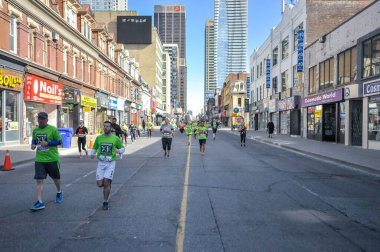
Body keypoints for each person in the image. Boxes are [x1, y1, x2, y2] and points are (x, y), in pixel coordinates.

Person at [30, 112, 63, 211]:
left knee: (56, 179)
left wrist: (48, 143)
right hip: (40, 159)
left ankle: (59, 191)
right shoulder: (35, 130)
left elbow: (60, 141)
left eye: (43, 119)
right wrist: (33, 145)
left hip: (52, 159)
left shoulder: (52, 129)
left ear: (47, 120)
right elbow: (34, 141)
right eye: (40, 119)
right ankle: (40, 202)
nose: (41, 120)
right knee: (39, 180)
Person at [91, 121, 125, 210]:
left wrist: (119, 151)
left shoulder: (115, 138)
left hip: (110, 163)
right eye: (105, 126)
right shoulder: (99, 138)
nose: (106, 128)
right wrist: (92, 153)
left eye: (108, 126)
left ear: (111, 128)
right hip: (101, 163)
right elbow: (94, 147)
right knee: (99, 184)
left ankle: (105, 202)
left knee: (106, 182)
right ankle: (108, 185)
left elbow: (122, 148)